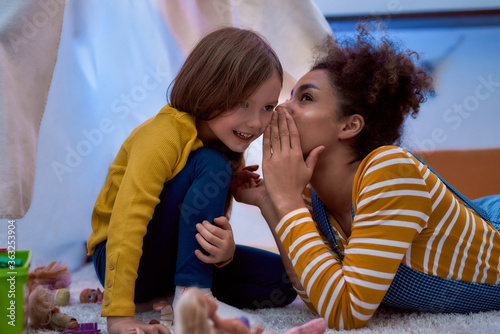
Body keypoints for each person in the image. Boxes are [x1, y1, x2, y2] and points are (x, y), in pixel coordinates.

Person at [234, 25, 500, 330]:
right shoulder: (312, 195)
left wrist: (287, 201)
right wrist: (271, 203)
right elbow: (317, 296)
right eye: (291, 96)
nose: (283, 108)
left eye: (305, 99)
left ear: (349, 126)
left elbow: (346, 313)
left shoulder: (390, 170)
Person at [86, 27, 296, 334]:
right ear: (207, 88)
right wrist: (118, 316)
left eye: (267, 107)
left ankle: (178, 295)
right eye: (243, 104)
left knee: (281, 282)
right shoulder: (162, 136)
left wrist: (224, 255)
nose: (256, 123)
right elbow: (128, 221)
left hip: (171, 265)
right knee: (212, 163)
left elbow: (197, 225)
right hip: (123, 257)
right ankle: (190, 296)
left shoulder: (227, 149)